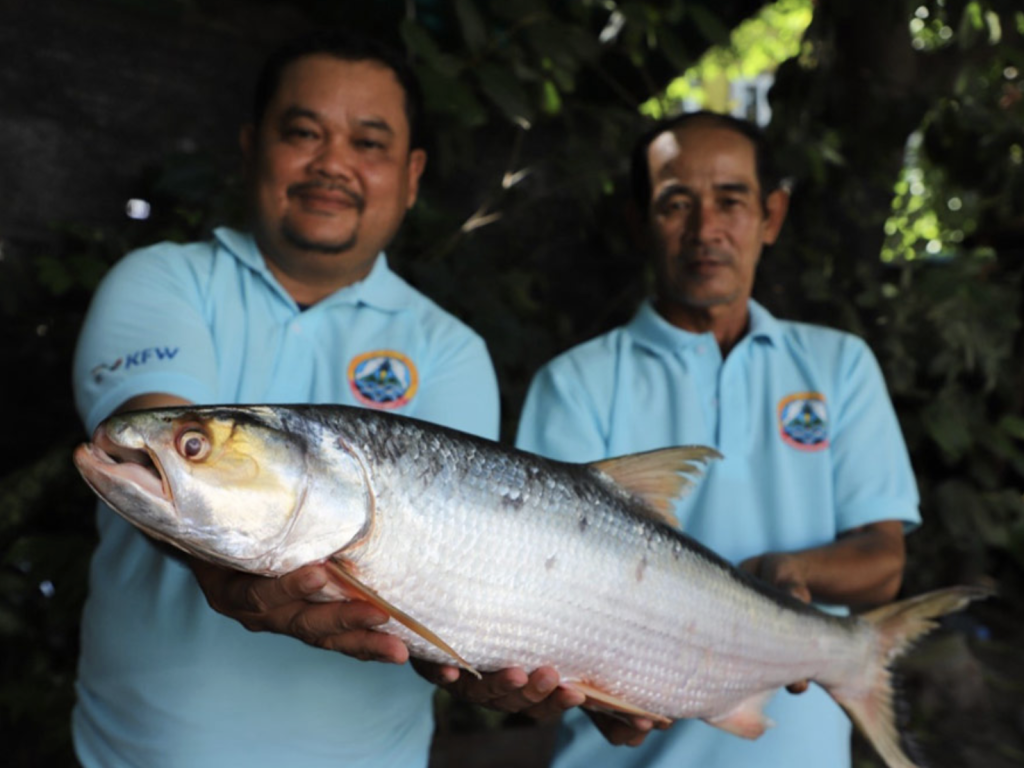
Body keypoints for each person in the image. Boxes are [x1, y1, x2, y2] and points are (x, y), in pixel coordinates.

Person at [71, 31, 501, 767]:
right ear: (250, 144)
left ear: (411, 174)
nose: (332, 163)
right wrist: (225, 569)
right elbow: (157, 452)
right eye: (303, 132)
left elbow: (440, 581)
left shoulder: (452, 350)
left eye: (369, 143)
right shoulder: (164, 280)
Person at [511, 111, 921, 767]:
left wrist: (789, 572)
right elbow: (543, 587)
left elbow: (884, 558)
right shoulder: (576, 381)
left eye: (731, 200)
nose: (706, 230)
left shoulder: (838, 365)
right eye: (677, 203)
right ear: (639, 221)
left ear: (772, 216)